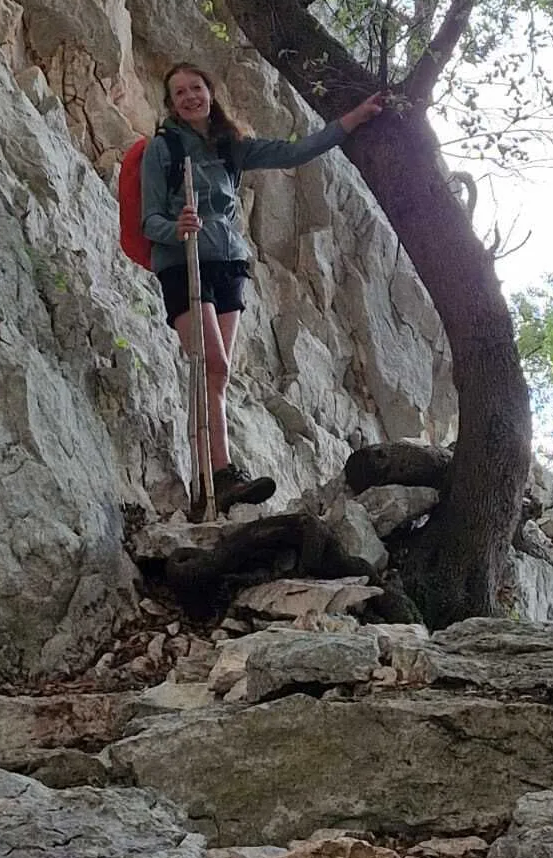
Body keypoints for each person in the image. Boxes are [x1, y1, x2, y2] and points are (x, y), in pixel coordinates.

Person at [141, 61, 384, 517]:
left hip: (228, 264)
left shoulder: (230, 147)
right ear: (171, 104)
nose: (191, 97)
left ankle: (219, 475)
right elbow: (149, 219)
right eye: (180, 93)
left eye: (197, 87)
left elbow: (293, 153)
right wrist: (177, 227)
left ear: (210, 93)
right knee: (209, 364)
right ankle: (215, 471)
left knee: (219, 373)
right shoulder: (164, 149)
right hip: (183, 263)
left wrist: (349, 122)